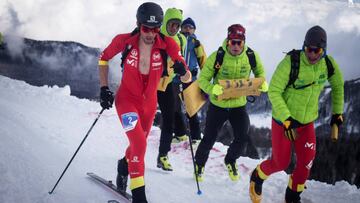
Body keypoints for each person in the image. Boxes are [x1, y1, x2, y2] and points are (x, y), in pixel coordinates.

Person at [98, 2, 191, 203]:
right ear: (138, 24)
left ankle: (124, 166)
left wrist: (184, 72)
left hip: (149, 105)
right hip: (126, 102)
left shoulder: (168, 44)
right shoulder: (124, 41)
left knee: (137, 144)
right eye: (146, 29)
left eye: (155, 29)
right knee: (139, 144)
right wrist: (104, 88)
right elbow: (103, 59)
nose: (150, 34)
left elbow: (186, 76)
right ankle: (140, 197)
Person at [249, 25, 344, 203]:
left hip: (306, 122)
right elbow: (274, 91)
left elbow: (338, 85)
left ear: (324, 50)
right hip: (283, 122)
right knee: (281, 163)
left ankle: (292, 195)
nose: (312, 55)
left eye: (317, 51)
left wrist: (337, 113)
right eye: (309, 49)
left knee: (306, 162)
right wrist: (286, 118)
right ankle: (257, 176)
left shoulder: (328, 64)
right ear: (304, 46)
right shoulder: (291, 62)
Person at [194, 24, 268, 182]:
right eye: (232, 42)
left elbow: (260, 72)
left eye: (239, 42)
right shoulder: (218, 56)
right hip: (218, 106)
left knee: (242, 136)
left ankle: (230, 160)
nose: (235, 46)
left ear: (244, 42)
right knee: (209, 138)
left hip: (238, 106)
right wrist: (213, 88)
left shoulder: (250, 55)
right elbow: (203, 80)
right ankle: (199, 165)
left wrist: (261, 82)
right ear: (228, 41)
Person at [156, 7, 189, 171]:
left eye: (177, 25)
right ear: (165, 23)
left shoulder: (179, 40)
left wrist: (182, 70)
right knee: (142, 122)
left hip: (166, 85)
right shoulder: (153, 36)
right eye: (171, 24)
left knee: (168, 120)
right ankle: (130, 156)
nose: (174, 28)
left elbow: (185, 71)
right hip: (148, 86)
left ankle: (163, 156)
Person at [171, 17, 206, 146]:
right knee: (175, 108)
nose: (187, 29)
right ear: (181, 28)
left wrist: (205, 78)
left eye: (190, 27)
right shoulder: (177, 39)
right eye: (185, 26)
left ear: (194, 29)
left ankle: (196, 137)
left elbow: (203, 61)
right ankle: (180, 134)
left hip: (191, 79)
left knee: (191, 108)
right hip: (174, 79)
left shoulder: (196, 43)